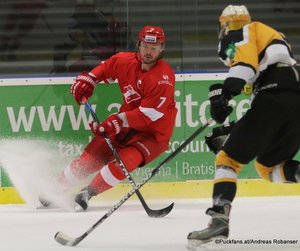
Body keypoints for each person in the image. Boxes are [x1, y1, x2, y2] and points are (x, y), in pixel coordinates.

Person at [187, 5, 300, 249]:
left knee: (227, 160)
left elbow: (245, 67)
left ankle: (219, 219)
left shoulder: (246, 32)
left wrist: (224, 93)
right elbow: (265, 112)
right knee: (268, 167)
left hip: (276, 93)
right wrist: (235, 125)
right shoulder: (271, 35)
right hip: (291, 97)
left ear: (226, 25)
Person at [40, 25, 177, 211]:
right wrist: (89, 79)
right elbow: (106, 68)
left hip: (152, 135)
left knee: (124, 162)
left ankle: (87, 193)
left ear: (162, 48)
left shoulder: (163, 77)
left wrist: (116, 122)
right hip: (125, 125)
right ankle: (55, 189)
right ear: (139, 44)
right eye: (145, 46)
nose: (149, 51)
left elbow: (149, 115)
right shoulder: (125, 61)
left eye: (154, 47)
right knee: (90, 159)